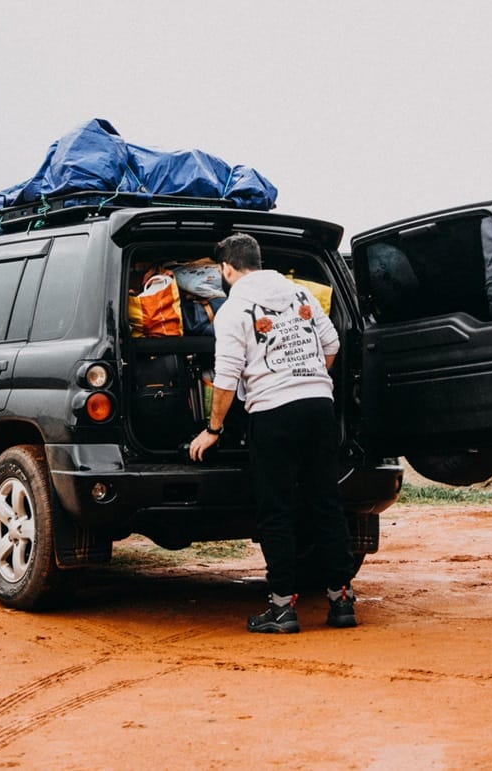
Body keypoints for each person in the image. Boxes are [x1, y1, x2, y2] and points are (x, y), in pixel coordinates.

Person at [189, 233, 357, 633]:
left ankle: (282, 608)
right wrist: (307, 377)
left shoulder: (233, 310)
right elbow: (331, 344)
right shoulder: (300, 294)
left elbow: (227, 378)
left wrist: (213, 430)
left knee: (276, 510)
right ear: (258, 260)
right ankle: (342, 602)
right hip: (319, 406)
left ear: (227, 268)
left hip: (273, 414)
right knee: (325, 504)